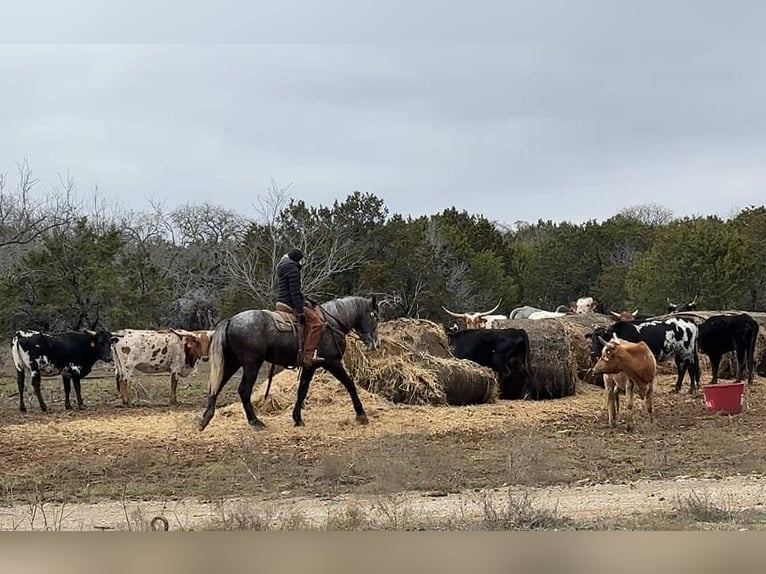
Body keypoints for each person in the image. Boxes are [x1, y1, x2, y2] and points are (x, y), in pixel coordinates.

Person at [275, 248, 325, 367]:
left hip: (282, 300)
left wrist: (307, 299)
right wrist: (300, 311)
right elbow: (294, 293)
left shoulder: (282, 266)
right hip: (290, 302)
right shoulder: (293, 269)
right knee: (318, 324)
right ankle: (308, 356)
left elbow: (294, 290)